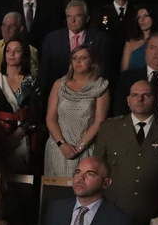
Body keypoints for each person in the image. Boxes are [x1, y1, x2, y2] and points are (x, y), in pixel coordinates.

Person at [90, 75, 158, 225]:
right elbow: (97, 170)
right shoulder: (109, 129)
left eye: (146, 95)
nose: (140, 99)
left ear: (156, 99)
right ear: (128, 100)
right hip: (114, 211)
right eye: (135, 95)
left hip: (157, 214)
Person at [43, 45, 110, 177]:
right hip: (58, 147)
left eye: (83, 58)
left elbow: (99, 121)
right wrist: (62, 144)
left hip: (85, 148)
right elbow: (50, 118)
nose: (78, 62)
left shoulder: (100, 86)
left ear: (92, 62)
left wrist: (80, 147)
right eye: (74, 58)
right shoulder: (59, 84)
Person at [0, 36, 39, 171]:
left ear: (24, 54)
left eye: (17, 51)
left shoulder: (31, 81)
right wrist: (3, 137)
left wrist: (16, 136)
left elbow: (35, 111)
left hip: (23, 137)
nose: (11, 54)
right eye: (8, 51)